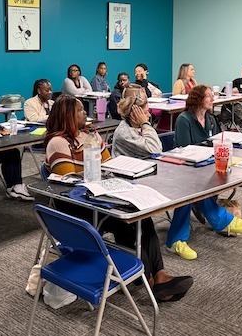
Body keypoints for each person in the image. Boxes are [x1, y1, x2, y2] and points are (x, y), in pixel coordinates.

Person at [44, 94, 193, 302]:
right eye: (79, 110)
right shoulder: (58, 143)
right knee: (127, 220)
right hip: (75, 205)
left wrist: (106, 165)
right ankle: (149, 280)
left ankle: (158, 274)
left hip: (99, 193)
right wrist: (100, 171)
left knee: (143, 215)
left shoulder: (90, 134)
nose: (85, 112)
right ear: (68, 115)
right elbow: (69, 182)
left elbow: (109, 164)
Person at [169, 85, 242, 259]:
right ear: (198, 99)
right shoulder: (184, 119)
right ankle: (220, 222)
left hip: (205, 166)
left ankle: (177, 239)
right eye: (208, 96)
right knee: (192, 191)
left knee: (196, 190)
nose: (212, 99)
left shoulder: (211, 119)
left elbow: (214, 141)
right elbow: (184, 149)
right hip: (185, 169)